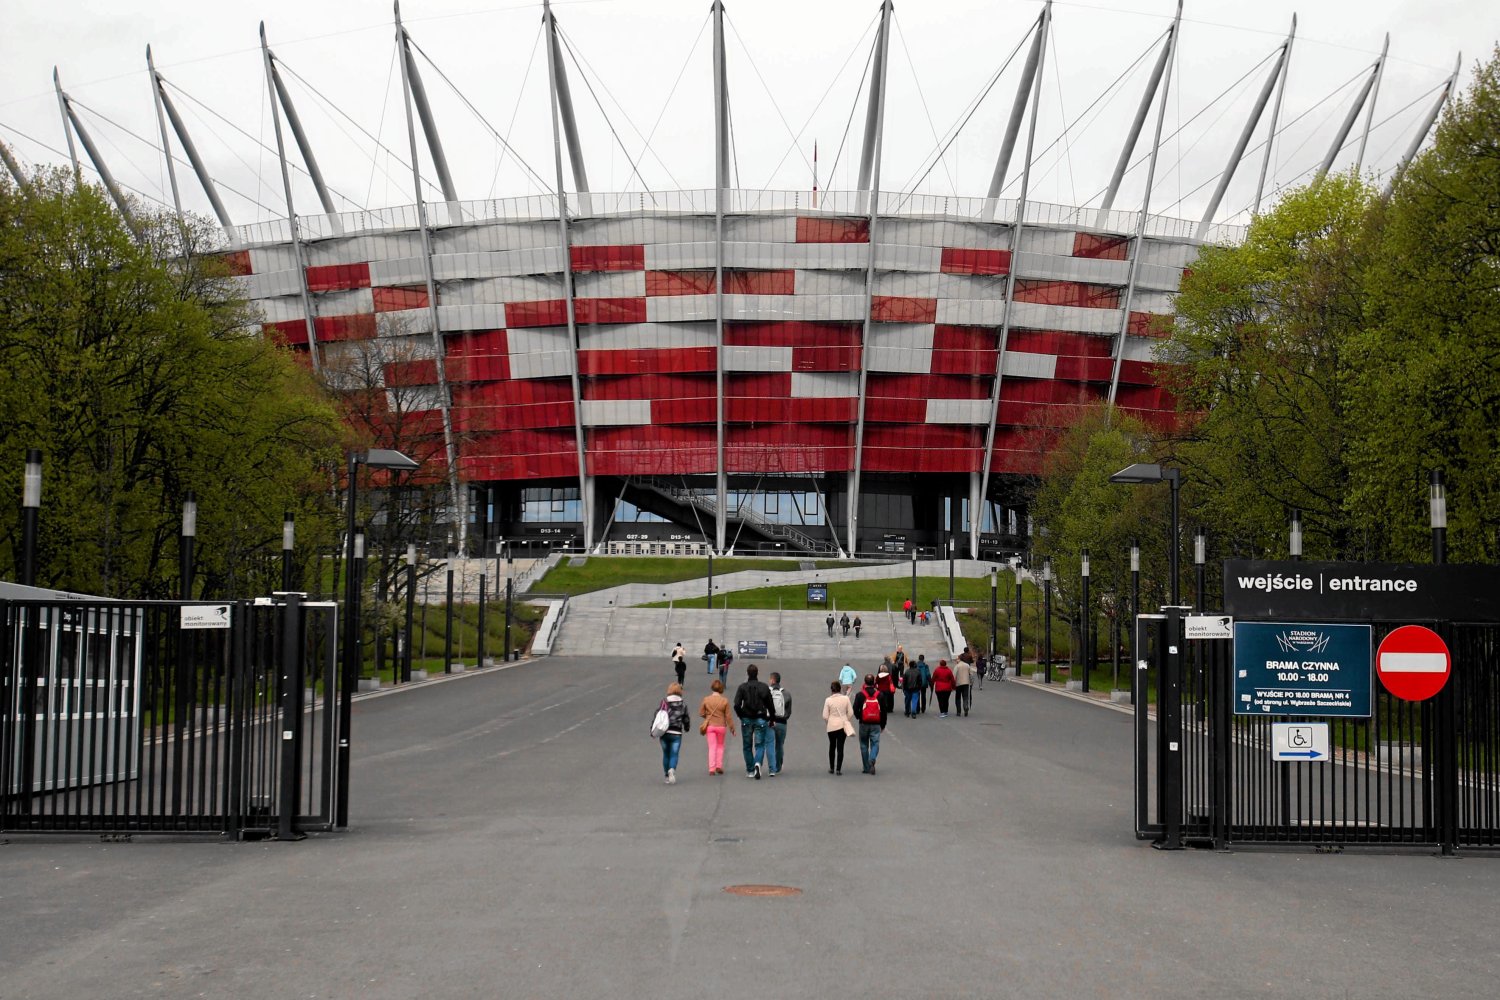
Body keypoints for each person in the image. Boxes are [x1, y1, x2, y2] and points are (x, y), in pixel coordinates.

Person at [732, 663, 775, 779]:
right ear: (757, 674)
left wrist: (741, 716)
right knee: (760, 745)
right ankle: (757, 763)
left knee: (747, 745)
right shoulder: (764, 687)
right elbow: (770, 705)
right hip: (760, 718)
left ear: (747, 674)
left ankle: (750, 770)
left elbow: (736, 704)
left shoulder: (742, 687)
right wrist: (771, 718)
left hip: (746, 718)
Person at [851, 673, 887, 774]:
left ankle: (866, 767)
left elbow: (854, 709)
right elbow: (883, 711)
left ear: (865, 682)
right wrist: (883, 725)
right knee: (875, 743)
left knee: (863, 744)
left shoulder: (860, 695)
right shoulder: (879, 695)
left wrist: (860, 717)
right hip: (876, 723)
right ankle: (872, 759)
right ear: (874, 683)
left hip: (864, 723)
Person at [698, 679, 735, 775]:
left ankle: (711, 768)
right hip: (721, 726)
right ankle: (719, 766)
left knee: (712, 747)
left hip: (710, 726)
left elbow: (701, 712)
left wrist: (707, 717)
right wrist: (732, 728)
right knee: (720, 746)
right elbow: (728, 716)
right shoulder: (724, 701)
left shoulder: (706, 699)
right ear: (721, 689)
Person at [657, 682, 690, 784]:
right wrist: (686, 727)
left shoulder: (664, 702)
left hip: (664, 731)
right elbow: (686, 719)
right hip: (676, 732)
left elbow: (658, 715)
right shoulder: (683, 704)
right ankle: (672, 769)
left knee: (666, 754)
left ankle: (666, 776)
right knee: (674, 754)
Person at [822, 679, 855, 775]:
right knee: (841, 747)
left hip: (831, 726)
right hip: (842, 725)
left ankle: (832, 767)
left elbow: (825, 715)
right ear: (840, 689)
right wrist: (846, 719)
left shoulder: (828, 700)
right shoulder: (846, 699)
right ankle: (838, 769)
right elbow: (851, 713)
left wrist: (828, 722)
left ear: (831, 690)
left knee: (832, 746)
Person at [768, 671, 792, 775]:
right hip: (782, 722)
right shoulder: (786, 693)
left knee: (770, 744)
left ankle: (771, 766)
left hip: (770, 721)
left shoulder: (767, 692)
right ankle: (778, 766)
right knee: (779, 745)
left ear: (772, 680)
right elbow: (789, 711)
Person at [901, 653, 923, 717]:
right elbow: (920, 681)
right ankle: (913, 712)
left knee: (907, 700)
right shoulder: (918, 671)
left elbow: (904, 681)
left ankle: (907, 712)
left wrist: (903, 688)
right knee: (914, 700)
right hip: (915, 688)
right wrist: (919, 687)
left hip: (907, 688)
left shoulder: (907, 671)